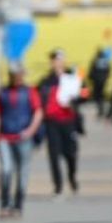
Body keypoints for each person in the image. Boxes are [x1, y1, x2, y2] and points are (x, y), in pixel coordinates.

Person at [0, 66, 42, 218]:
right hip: (5, 137)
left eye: (18, 74)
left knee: (23, 173)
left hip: (23, 138)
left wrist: (30, 131)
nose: (16, 77)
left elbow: (38, 112)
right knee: (6, 170)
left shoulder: (29, 92)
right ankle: (4, 204)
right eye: (13, 74)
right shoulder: (2, 93)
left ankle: (18, 205)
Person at [37, 49, 82, 197]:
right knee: (54, 154)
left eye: (60, 60)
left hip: (68, 120)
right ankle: (58, 185)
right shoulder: (45, 81)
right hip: (52, 122)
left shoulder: (71, 78)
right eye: (55, 60)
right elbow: (38, 100)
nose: (58, 63)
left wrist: (75, 101)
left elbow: (84, 94)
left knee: (71, 153)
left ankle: (72, 177)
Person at [88, 46, 112, 118]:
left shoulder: (95, 60)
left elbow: (92, 70)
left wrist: (91, 78)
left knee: (98, 94)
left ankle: (100, 109)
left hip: (96, 80)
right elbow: (108, 70)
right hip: (103, 80)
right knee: (100, 94)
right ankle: (101, 107)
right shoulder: (105, 60)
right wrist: (106, 77)